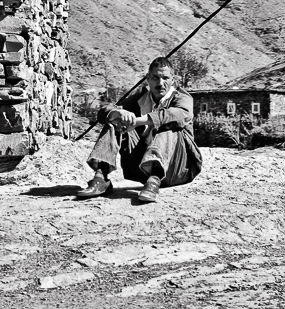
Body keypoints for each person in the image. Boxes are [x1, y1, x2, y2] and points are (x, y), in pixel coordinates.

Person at [77, 56, 202, 203]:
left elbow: (179, 115)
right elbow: (104, 112)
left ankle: (154, 180)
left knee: (169, 125)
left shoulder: (181, 97)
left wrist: (138, 121)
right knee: (115, 122)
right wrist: (117, 113)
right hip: (143, 169)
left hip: (177, 168)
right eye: (155, 78)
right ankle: (101, 177)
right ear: (148, 79)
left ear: (172, 80)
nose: (160, 83)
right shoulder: (141, 96)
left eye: (165, 78)